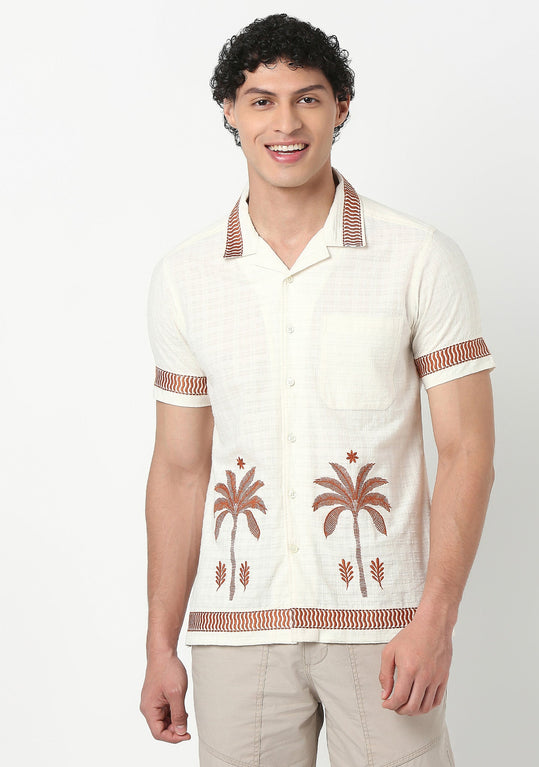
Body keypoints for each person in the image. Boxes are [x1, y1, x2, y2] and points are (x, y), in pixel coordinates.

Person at [140, 13, 495, 766]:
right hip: (238, 629)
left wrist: (435, 618)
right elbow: (178, 467)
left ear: (341, 109)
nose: (286, 123)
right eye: (261, 100)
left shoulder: (418, 257)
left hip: (387, 626)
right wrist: (159, 643)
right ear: (230, 113)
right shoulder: (184, 277)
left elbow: (468, 448)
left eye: (307, 98)